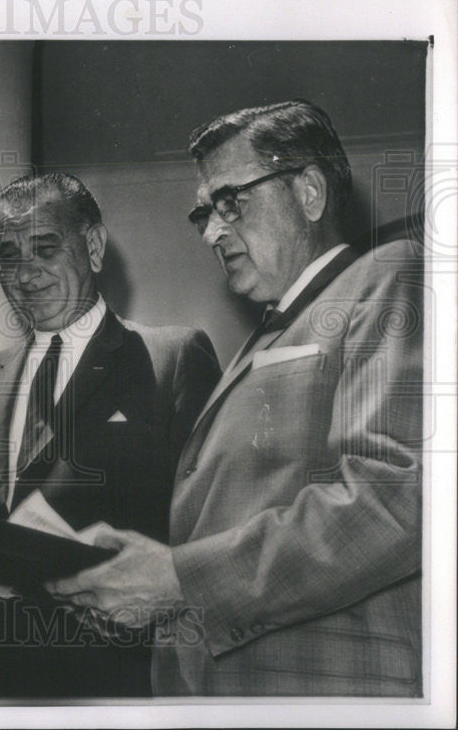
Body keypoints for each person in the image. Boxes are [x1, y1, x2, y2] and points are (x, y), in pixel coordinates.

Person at [47, 100, 424, 696]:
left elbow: (395, 499)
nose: (213, 232)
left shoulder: (390, 276)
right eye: (204, 214)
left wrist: (179, 578)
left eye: (230, 202)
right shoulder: (268, 333)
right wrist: (139, 574)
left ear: (309, 192)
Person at [0, 172, 221, 697]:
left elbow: (207, 530)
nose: (26, 273)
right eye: (8, 254)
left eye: (45, 248)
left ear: (94, 247)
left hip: (111, 684)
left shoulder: (172, 358)